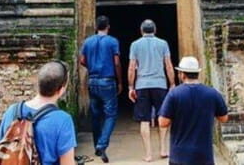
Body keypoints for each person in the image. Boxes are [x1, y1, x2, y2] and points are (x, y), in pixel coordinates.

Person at [0, 61, 77, 165]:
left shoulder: (12, 111)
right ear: (61, 90)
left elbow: (2, 150)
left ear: (37, 83)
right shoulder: (63, 120)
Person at [158, 56, 228, 165]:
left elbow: (163, 123)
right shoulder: (212, 93)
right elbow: (224, 118)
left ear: (182, 74)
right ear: (197, 73)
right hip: (204, 156)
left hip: (179, 156)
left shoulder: (174, 94)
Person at [128, 19, 176, 162]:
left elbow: (131, 67)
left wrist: (131, 86)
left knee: (144, 120)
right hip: (160, 84)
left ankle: (148, 154)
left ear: (141, 31)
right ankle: (163, 149)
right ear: (154, 30)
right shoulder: (163, 44)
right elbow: (168, 65)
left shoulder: (135, 45)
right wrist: (172, 83)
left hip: (142, 85)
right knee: (163, 116)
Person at [79, 15, 122, 163]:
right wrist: (120, 81)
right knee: (111, 115)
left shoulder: (88, 41)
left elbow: (82, 60)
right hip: (107, 81)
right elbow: (116, 63)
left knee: (96, 115)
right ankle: (102, 144)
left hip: (92, 80)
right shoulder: (112, 41)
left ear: (96, 27)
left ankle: (97, 145)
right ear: (108, 27)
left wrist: (91, 68)